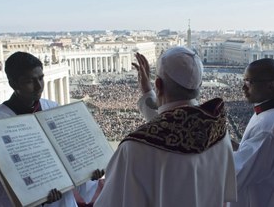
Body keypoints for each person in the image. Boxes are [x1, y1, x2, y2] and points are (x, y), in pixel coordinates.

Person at [94, 46, 237, 207]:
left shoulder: (134, 149)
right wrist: (147, 92)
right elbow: (177, 128)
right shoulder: (219, 132)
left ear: (158, 84)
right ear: (199, 85)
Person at [0, 51, 102, 207]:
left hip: (63, 199)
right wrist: (38, 198)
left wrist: (89, 173)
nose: (38, 86)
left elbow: (70, 154)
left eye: (41, 78)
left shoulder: (53, 109)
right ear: (13, 84)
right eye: (29, 81)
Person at [229, 58, 274, 207]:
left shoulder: (269, 127)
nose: (243, 87)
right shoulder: (271, 114)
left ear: (271, 85)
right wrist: (229, 144)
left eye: (249, 82)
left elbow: (234, 175)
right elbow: (254, 154)